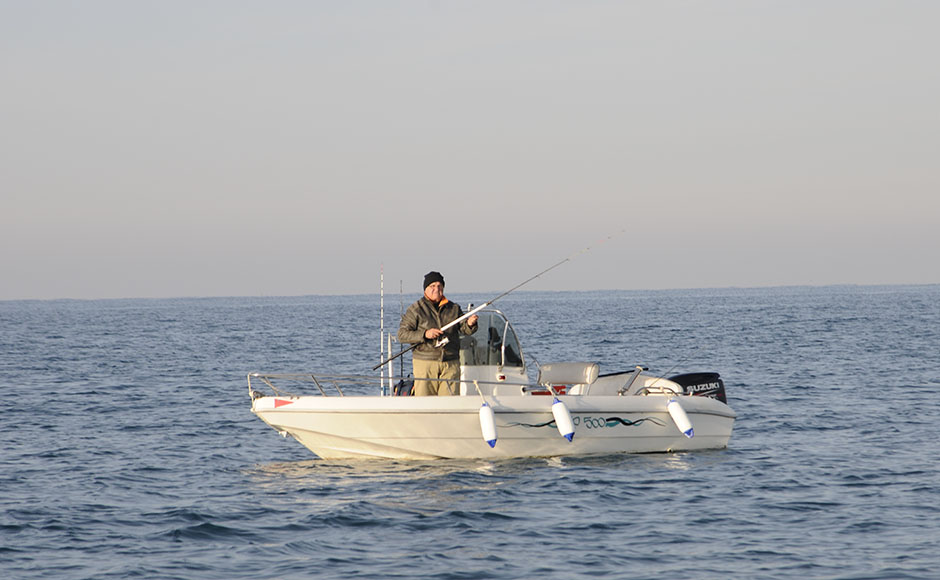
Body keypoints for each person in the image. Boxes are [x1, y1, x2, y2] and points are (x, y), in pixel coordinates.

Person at [398, 271, 478, 396]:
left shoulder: (454, 308)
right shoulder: (416, 309)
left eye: (440, 286)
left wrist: (470, 324)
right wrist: (424, 334)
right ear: (425, 289)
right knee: (424, 405)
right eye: (432, 286)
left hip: (450, 364)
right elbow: (402, 335)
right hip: (425, 364)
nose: (437, 289)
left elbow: (465, 329)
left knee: (449, 404)